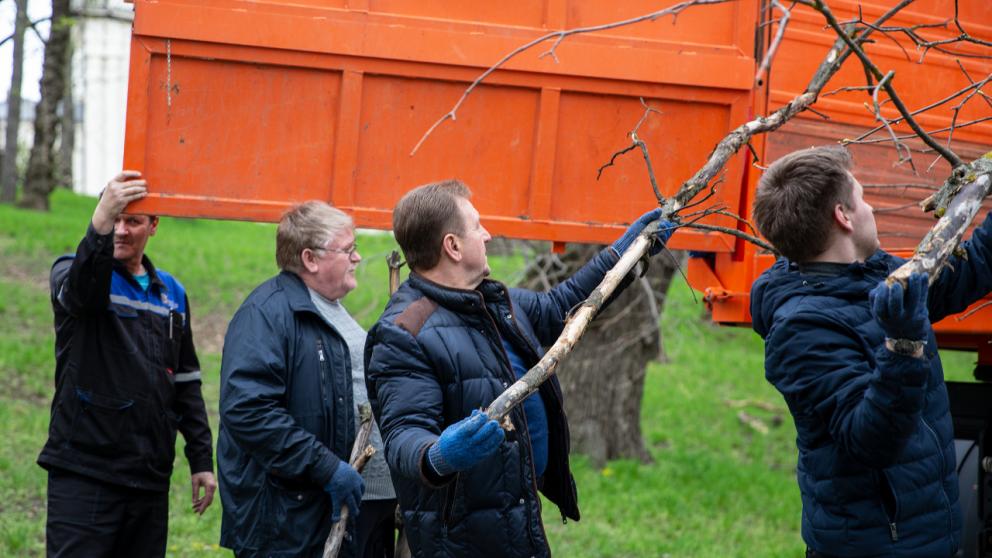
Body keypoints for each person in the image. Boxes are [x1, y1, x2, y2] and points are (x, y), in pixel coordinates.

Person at [363, 179, 673, 557]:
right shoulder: (404, 333)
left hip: (515, 517)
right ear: (453, 246)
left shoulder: (492, 301)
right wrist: (441, 454)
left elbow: (566, 305)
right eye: (477, 226)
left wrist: (630, 253)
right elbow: (402, 435)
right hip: (461, 540)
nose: (488, 235)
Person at [749, 146, 992, 557]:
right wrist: (903, 346)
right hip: (876, 545)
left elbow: (961, 277)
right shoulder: (800, 329)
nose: (871, 208)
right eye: (862, 199)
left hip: (926, 534)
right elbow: (871, 439)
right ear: (843, 217)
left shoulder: (868, 271)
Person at [38, 170, 216, 557]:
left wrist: (201, 458)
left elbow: (185, 380)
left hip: (148, 478)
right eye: (113, 219)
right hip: (86, 473)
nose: (120, 230)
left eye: (131, 221)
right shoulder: (71, 272)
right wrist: (99, 221)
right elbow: (84, 294)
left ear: (153, 225)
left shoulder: (172, 292)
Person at [217, 201, 397, 558]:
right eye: (348, 249)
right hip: (291, 522)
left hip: (353, 510)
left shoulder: (329, 308)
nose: (358, 258)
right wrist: (327, 469)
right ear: (310, 259)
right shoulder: (266, 313)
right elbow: (247, 410)